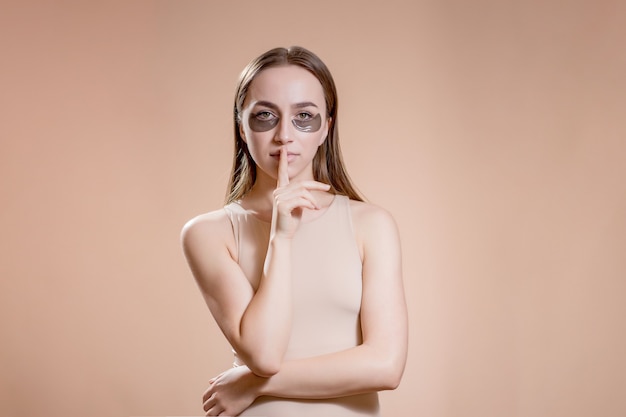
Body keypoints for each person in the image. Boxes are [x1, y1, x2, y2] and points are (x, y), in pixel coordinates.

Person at [181, 46, 407, 417]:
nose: (284, 135)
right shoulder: (208, 233)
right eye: (266, 116)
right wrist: (281, 238)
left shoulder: (372, 224)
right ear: (241, 124)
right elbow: (264, 354)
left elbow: (386, 365)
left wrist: (251, 383)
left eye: (304, 116)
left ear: (326, 128)